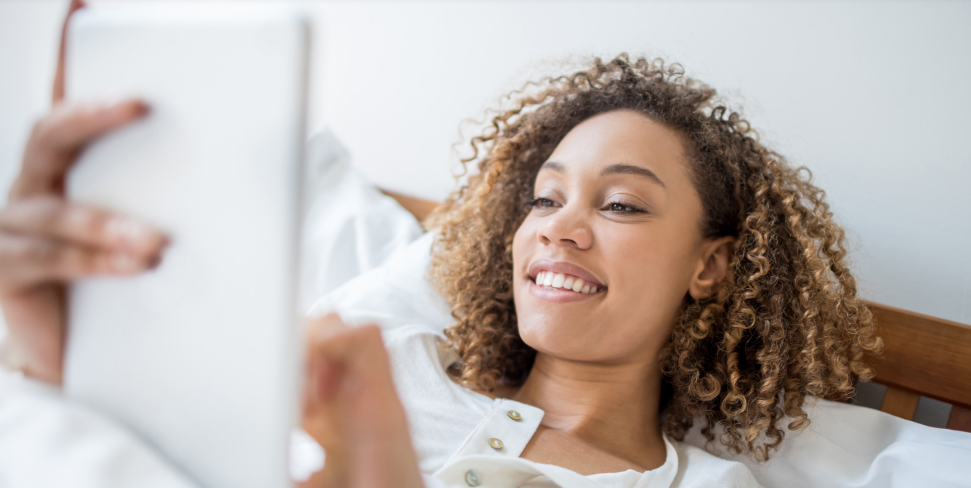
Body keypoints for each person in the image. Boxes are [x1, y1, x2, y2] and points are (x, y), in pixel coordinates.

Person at [0, 2, 889, 487]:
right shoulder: (373, 355)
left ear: (712, 265)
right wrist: (56, 365)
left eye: (619, 205)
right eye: (544, 198)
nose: (559, 228)